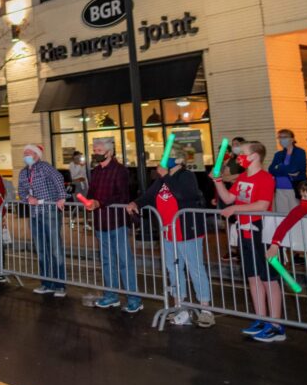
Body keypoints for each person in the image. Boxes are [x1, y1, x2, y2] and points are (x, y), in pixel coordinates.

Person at [212, 141, 284, 342]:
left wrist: (236, 209)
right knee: (252, 276)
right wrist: (217, 181)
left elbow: (262, 204)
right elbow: (228, 199)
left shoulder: (266, 178)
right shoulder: (242, 177)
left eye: (243, 153)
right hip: (244, 230)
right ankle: (260, 318)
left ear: (254, 156)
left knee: (269, 277)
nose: (239, 157)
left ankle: (276, 324)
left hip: (262, 230)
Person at [130, 157, 213, 327]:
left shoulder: (186, 175)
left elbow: (183, 194)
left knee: (195, 267)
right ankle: (179, 304)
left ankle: (205, 309)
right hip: (168, 231)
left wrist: (166, 177)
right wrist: (135, 203)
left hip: (187, 230)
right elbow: (149, 196)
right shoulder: (162, 180)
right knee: (173, 268)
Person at [82, 137, 141, 313]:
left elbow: (122, 196)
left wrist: (100, 203)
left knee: (125, 261)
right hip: (101, 222)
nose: (95, 153)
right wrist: (89, 202)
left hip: (117, 221)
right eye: (94, 150)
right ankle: (111, 295)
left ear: (109, 151)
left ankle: (134, 299)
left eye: (99, 150)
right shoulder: (95, 171)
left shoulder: (120, 170)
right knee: (107, 261)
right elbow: (91, 192)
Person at [16, 144, 68, 297]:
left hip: (49, 211)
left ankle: (60, 285)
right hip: (34, 213)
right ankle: (46, 283)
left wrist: (61, 197)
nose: (26, 155)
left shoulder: (45, 167)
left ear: (37, 155)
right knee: (41, 249)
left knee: (54, 248)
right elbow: (21, 189)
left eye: (29, 153)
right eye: (24, 153)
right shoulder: (23, 172)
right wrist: (27, 197)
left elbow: (58, 178)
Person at [267, 178, 307, 300]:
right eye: (301, 196)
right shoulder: (303, 209)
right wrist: (274, 245)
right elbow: (285, 225)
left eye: (306, 197)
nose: (302, 200)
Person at [220, 137, 247, 262]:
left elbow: (244, 175)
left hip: (240, 192)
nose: (235, 146)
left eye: (237, 144)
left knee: (239, 220)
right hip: (229, 190)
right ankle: (233, 248)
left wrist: (231, 177)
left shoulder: (244, 158)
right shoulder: (230, 160)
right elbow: (223, 176)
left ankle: (241, 249)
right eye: (233, 144)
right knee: (229, 221)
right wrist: (231, 178)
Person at [268, 129, 307, 216]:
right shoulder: (278, 154)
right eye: (280, 137)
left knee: (296, 215)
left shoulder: (300, 152)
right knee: (283, 216)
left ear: (292, 139)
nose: (281, 140)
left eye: (284, 137)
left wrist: (279, 167)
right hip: (279, 189)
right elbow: (271, 170)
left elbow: (294, 169)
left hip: (294, 188)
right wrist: (285, 169)